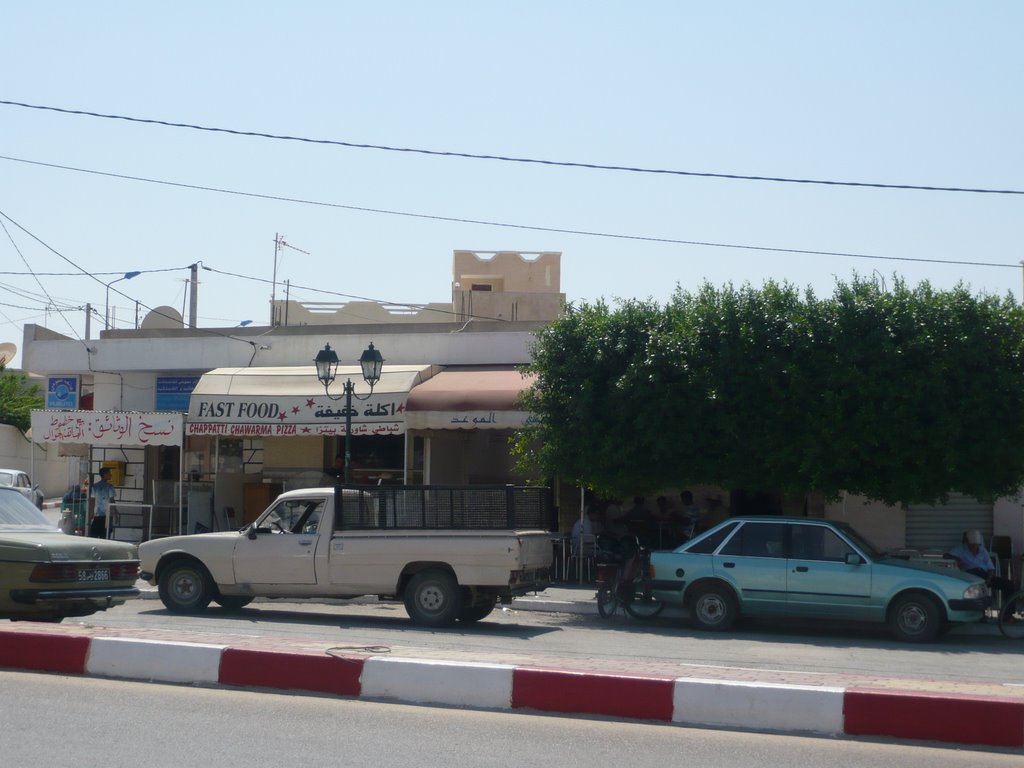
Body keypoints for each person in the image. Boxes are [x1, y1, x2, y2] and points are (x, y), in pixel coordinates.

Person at [945, 529, 1015, 602]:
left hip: (984, 576)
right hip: (970, 575)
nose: (974, 547)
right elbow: (946, 555)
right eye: (972, 545)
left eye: (976, 545)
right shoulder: (960, 549)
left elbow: (990, 568)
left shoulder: (982, 550)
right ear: (968, 543)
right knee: (979, 592)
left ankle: (1007, 611)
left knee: (1009, 585)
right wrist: (956, 558)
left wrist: (989, 578)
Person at [88, 467, 117, 539]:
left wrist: (91, 512)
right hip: (107, 515)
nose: (111, 475)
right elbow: (112, 501)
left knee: (94, 535)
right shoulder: (110, 487)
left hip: (97, 515)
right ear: (105, 475)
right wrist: (115, 513)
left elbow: (92, 500)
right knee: (105, 536)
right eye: (109, 473)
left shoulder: (95, 486)